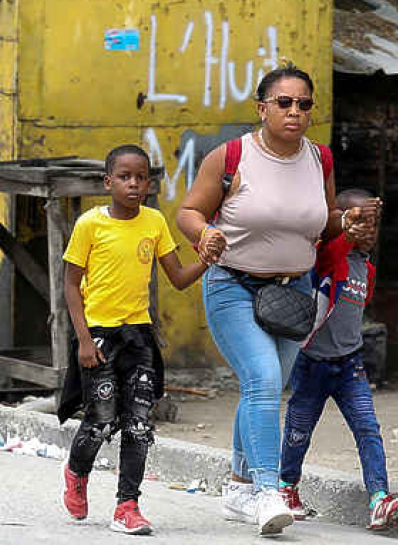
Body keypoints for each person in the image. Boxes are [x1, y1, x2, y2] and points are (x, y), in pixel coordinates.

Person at [176, 64, 379, 536]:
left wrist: (346, 224)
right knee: (264, 380)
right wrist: (205, 233)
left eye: (303, 104)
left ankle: (238, 484)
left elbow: (321, 222)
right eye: (283, 103)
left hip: (294, 292)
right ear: (262, 108)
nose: (294, 112)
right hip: (232, 286)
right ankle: (269, 490)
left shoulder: (319, 159)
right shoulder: (231, 157)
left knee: (261, 388)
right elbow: (188, 211)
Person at [58, 144, 208, 535]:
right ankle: (77, 471)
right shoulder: (91, 224)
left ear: (149, 183)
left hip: (139, 339)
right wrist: (84, 341)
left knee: (139, 424)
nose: (133, 184)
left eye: (141, 177)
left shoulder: (155, 222)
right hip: (100, 338)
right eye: (124, 177)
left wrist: (208, 259)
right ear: (108, 182)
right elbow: (71, 285)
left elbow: (176, 278)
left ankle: (127, 505)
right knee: (100, 421)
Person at [280, 188, 398, 531]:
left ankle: (379, 499)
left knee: (368, 428)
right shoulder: (328, 255)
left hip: (350, 364)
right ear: (339, 223)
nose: (367, 230)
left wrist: (361, 224)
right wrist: (345, 228)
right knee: (298, 431)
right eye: (358, 222)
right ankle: (286, 489)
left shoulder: (365, 268)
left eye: (373, 224)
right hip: (312, 363)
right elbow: (334, 244)